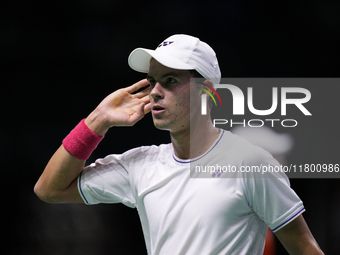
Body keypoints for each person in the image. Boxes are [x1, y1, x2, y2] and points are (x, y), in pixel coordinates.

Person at [34, 34, 324, 254]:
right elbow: (49, 189)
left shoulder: (251, 163)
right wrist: (97, 120)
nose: (155, 92)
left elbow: (305, 248)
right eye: (152, 81)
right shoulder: (140, 165)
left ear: (206, 93)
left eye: (170, 80)